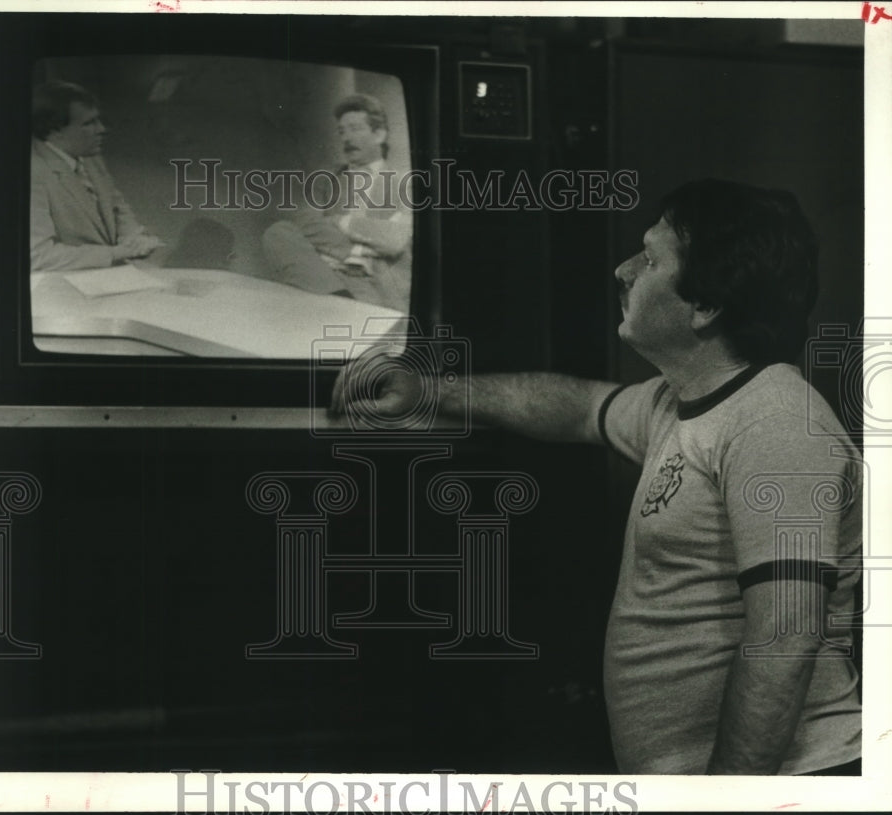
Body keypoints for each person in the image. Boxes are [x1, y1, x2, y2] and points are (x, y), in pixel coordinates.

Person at [331, 179, 862, 775]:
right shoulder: (681, 403)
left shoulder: (775, 421)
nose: (623, 270)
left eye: (651, 259)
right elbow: (578, 406)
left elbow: (784, 639)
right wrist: (429, 391)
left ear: (705, 304)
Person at [261, 93, 412, 312]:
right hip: (326, 274)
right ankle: (341, 301)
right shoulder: (328, 178)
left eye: (355, 129)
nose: (346, 138)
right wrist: (354, 252)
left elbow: (394, 240)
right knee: (278, 232)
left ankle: (344, 305)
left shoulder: (405, 183)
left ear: (379, 134)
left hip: (374, 285)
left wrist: (338, 220)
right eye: (342, 131)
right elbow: (304, 219)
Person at [30, 80, 163, 272]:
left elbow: (117, 207)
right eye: (88, 123)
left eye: (98, 120)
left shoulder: (89, 155)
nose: (101, 129)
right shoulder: (34, 173)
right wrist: (115, 254)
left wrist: (134, 237)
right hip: (64, 284)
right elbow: (38, 256)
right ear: (54, 131)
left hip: (108, 276)